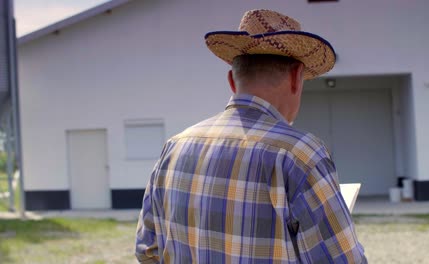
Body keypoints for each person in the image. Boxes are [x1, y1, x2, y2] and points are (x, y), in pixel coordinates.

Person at [135, 9, 367, 263]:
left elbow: (148, 251)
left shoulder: (174, 147)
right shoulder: (301, 154)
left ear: (232, 81)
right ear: (296, 77)